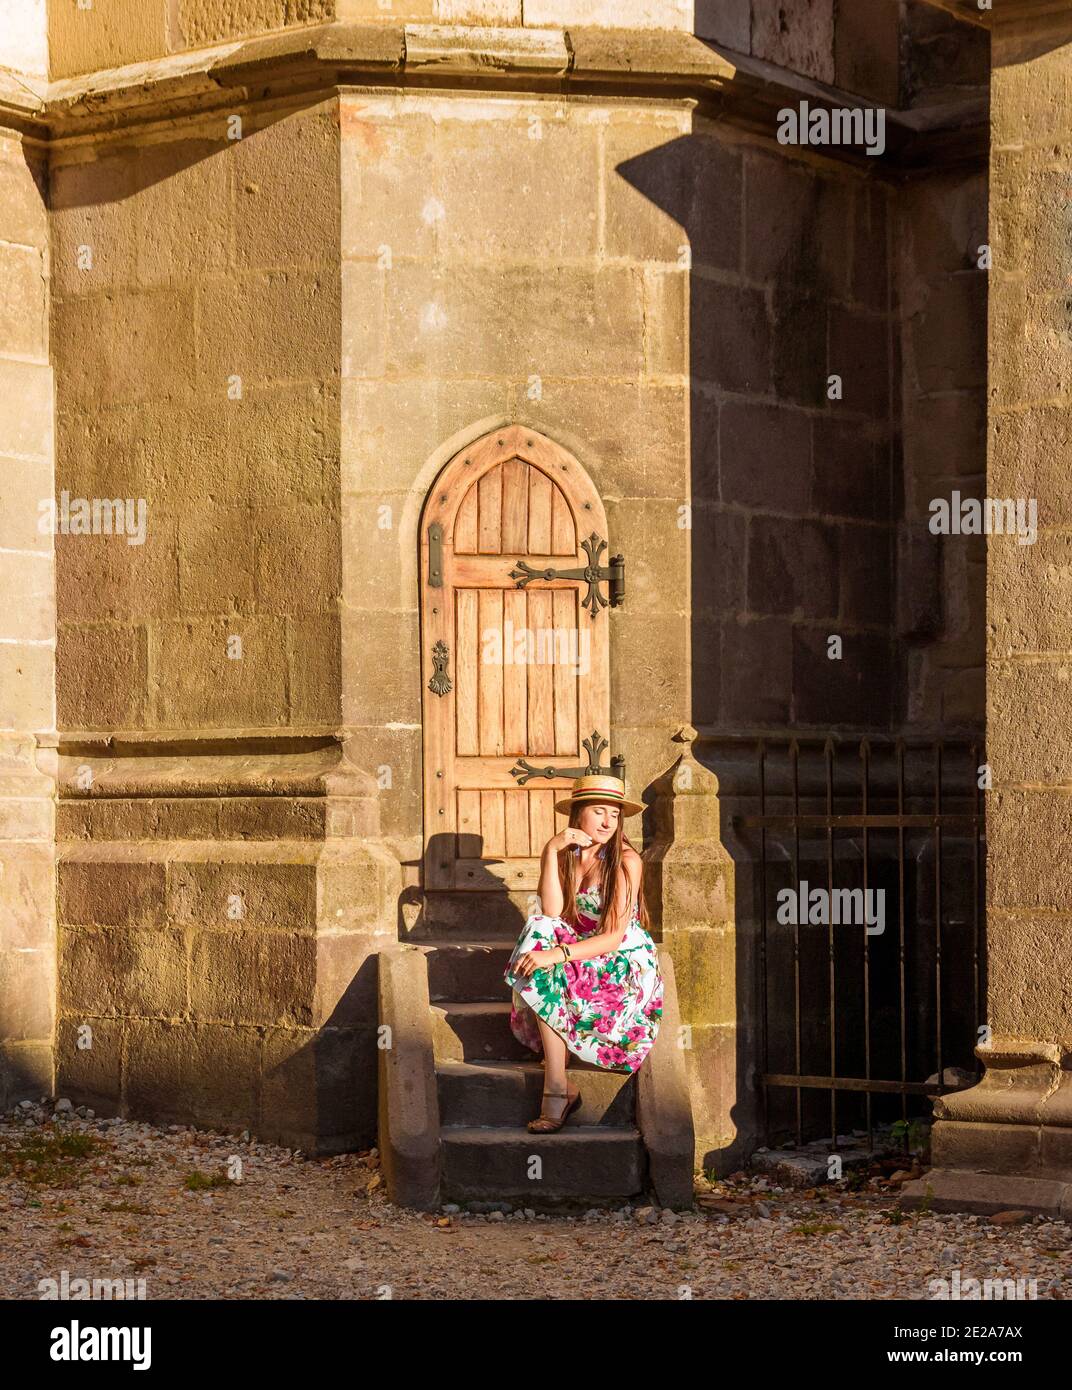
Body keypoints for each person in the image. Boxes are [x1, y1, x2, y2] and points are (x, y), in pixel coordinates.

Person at [502, 773, 664, 1134]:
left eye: (614, 814)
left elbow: (611, 938)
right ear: (578, 815)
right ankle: (559, 1087)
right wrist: (550, 851)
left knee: (547, 961)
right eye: (598, 811)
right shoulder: (569, 855)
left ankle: (556, 1091)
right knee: (539, 928)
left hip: (620, 962)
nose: (608, 822)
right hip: (579, 950)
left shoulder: (625, 861)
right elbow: (553, 912)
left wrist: (555, 955)